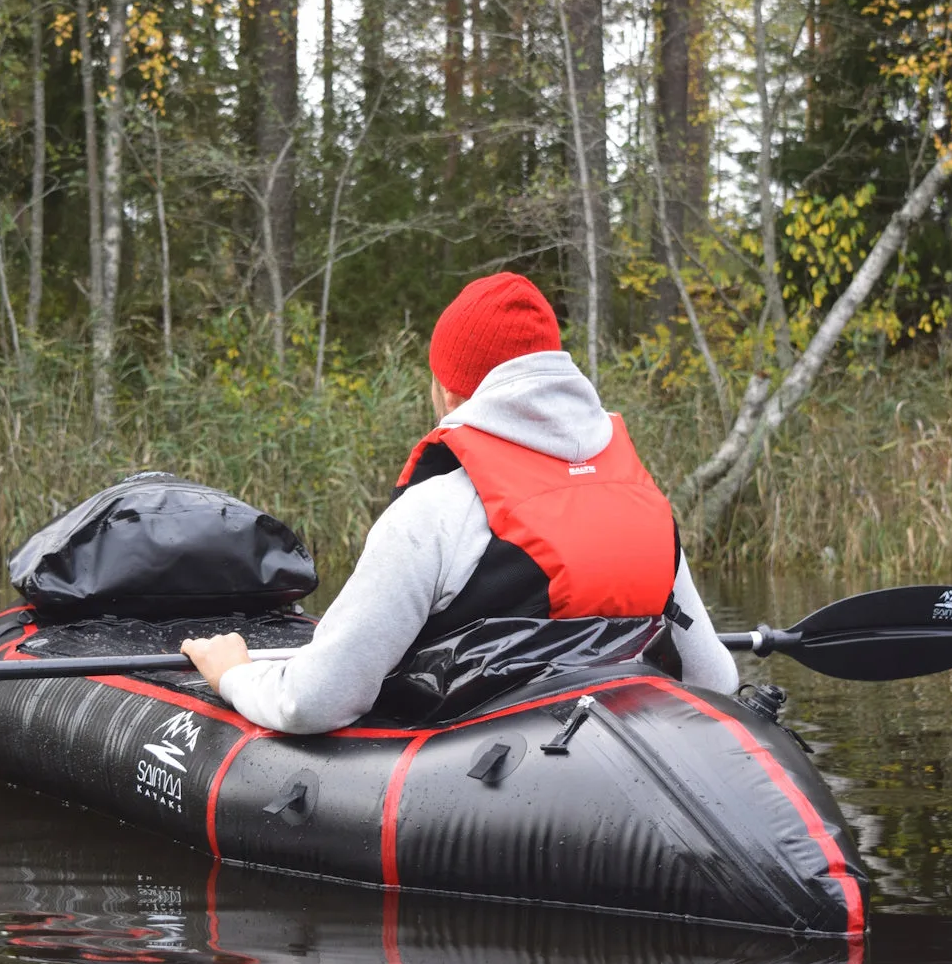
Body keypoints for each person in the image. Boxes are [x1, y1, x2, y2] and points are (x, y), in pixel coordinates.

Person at [181, 273, 739, 733]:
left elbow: (312, 703)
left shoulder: (435, 514)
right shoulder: (645, 509)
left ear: (449, 394)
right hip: (622, 779)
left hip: (489, 799)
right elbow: (716, 681)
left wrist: (233, 674)